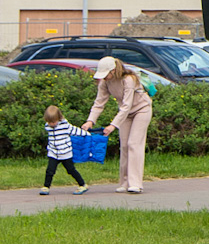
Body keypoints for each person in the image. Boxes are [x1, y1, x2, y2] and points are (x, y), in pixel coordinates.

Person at [81, 56, 152, 193]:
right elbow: (99, 103)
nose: (104, 77)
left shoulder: (129, 80)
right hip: (125, 114)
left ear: (113, 71)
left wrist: (112, 125)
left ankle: (135, 183)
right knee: (124, 145)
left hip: (141, 110)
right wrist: (90, 121)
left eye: (106, 74)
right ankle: (124, 182)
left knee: (134, 144)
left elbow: (127, 105)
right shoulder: (105, 82)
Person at [41, 105, 90, 195]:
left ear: (59, 118)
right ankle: (46, 187)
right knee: (50, 170)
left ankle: (82, 184)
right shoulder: (47, 126)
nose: (51, 124)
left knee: (70, 170)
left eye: (53, 122)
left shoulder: (65, 126)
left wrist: (86, 134)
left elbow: (75, 130)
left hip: (65, 153)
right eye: (49, 122)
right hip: (53, 152)